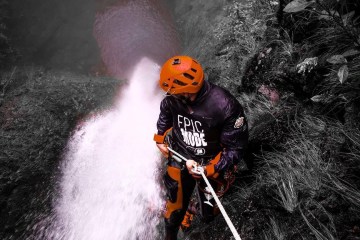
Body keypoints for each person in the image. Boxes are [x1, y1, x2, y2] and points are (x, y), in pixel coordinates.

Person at [153, 55, 248, 240]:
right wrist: (160, 137)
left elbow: (236, 148)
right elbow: (165, 111)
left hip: (211, 164)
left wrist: (210, 168)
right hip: (180, 155)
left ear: (186, 89)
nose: (169, 93)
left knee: (209, 213)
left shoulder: (224, 106)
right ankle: (172, 234)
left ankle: (201, 217)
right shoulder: (173, 99)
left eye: (172, 90)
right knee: (174, 208)